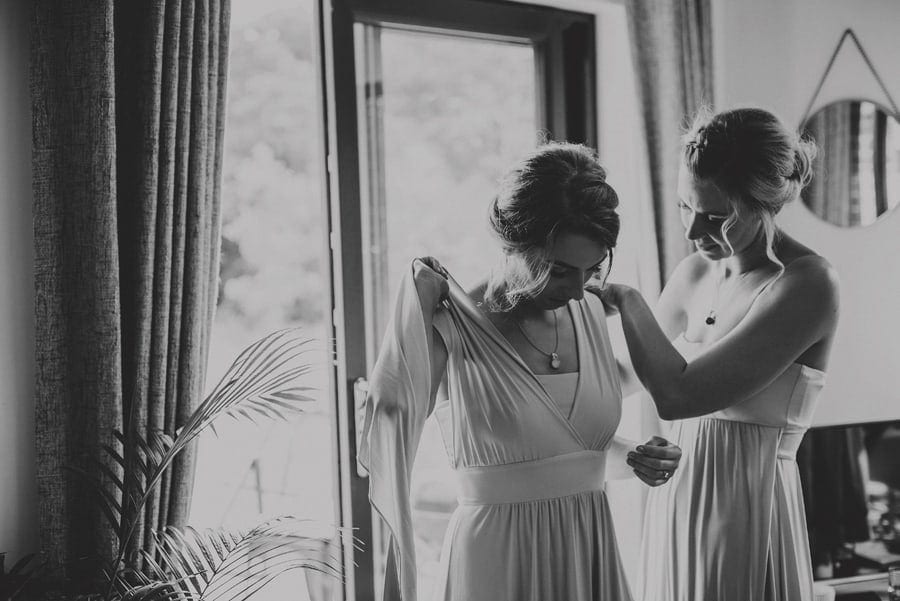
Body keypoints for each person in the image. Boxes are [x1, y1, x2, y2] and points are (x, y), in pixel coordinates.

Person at [359, 142, 683, 601]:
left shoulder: (591, 311)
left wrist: (635, 457)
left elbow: (558, 447)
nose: (577, 290)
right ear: (513, 244)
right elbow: (387, 431)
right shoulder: (451, 325)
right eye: (559, 271)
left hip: (587, 548)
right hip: (496, 560)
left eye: (592, 269)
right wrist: (393, 369)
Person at [598, 107, 840, 601]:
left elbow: (678, 394)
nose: (692, 230)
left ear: (764, 203)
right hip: (677, 501)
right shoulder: (693, 273)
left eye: (716, 216)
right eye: (686, 207)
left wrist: (627, 299)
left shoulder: (807, 284)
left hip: (748, 508)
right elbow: (622, 376)